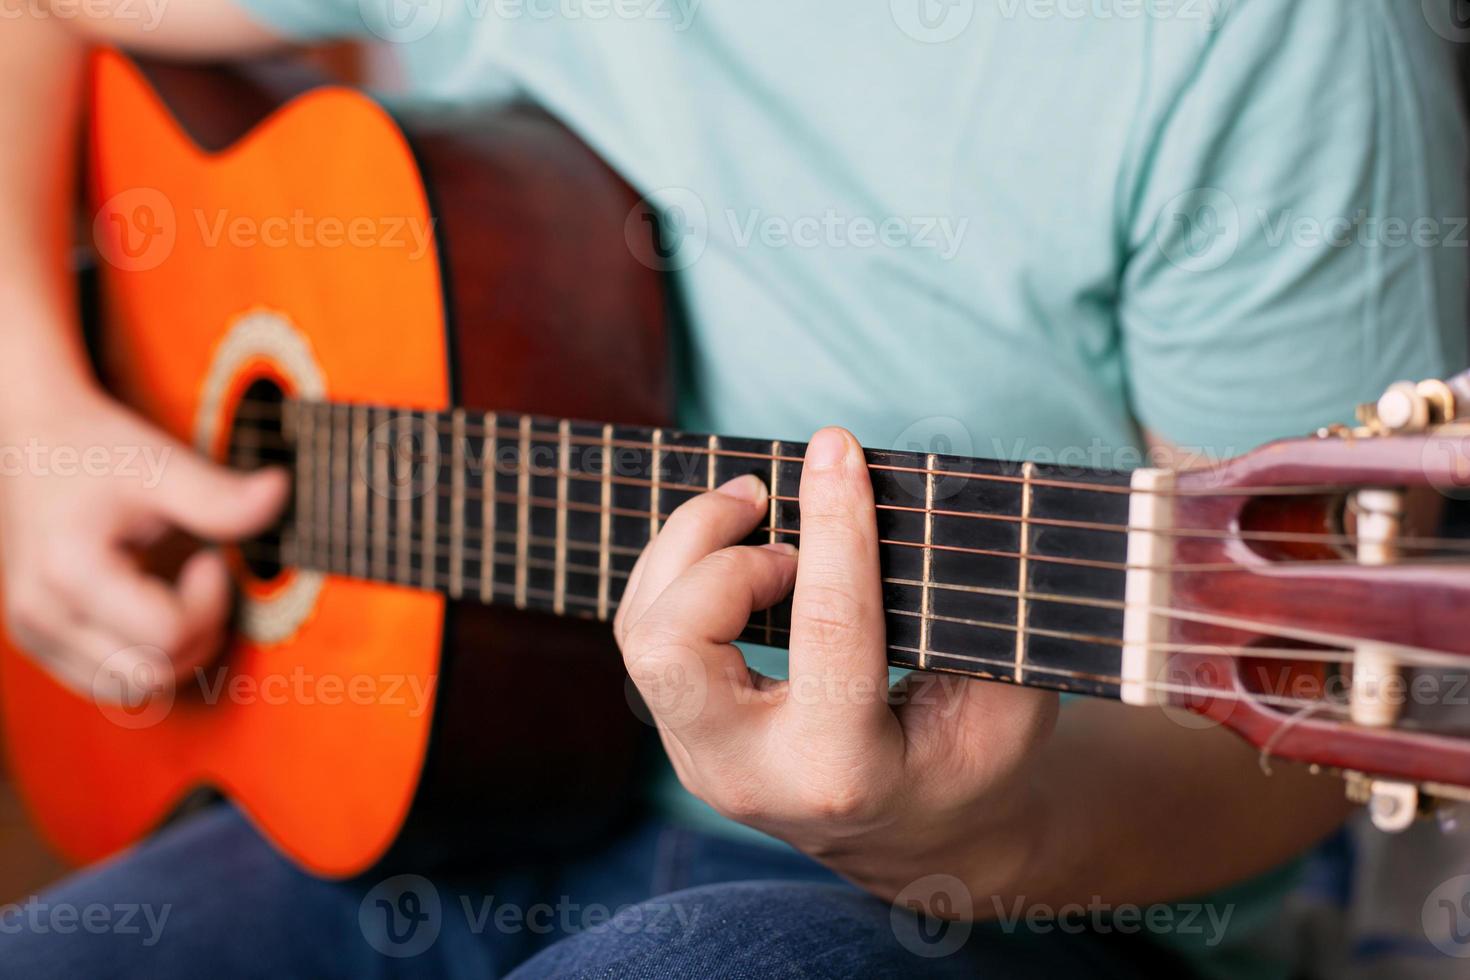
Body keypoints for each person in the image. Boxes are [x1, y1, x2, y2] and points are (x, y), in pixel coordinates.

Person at [1, 1, 1465, 977]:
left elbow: (1302, 733)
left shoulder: (1263, 41)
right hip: (445, 798)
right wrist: (33, 420)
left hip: (1015, 899)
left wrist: (947, 833)